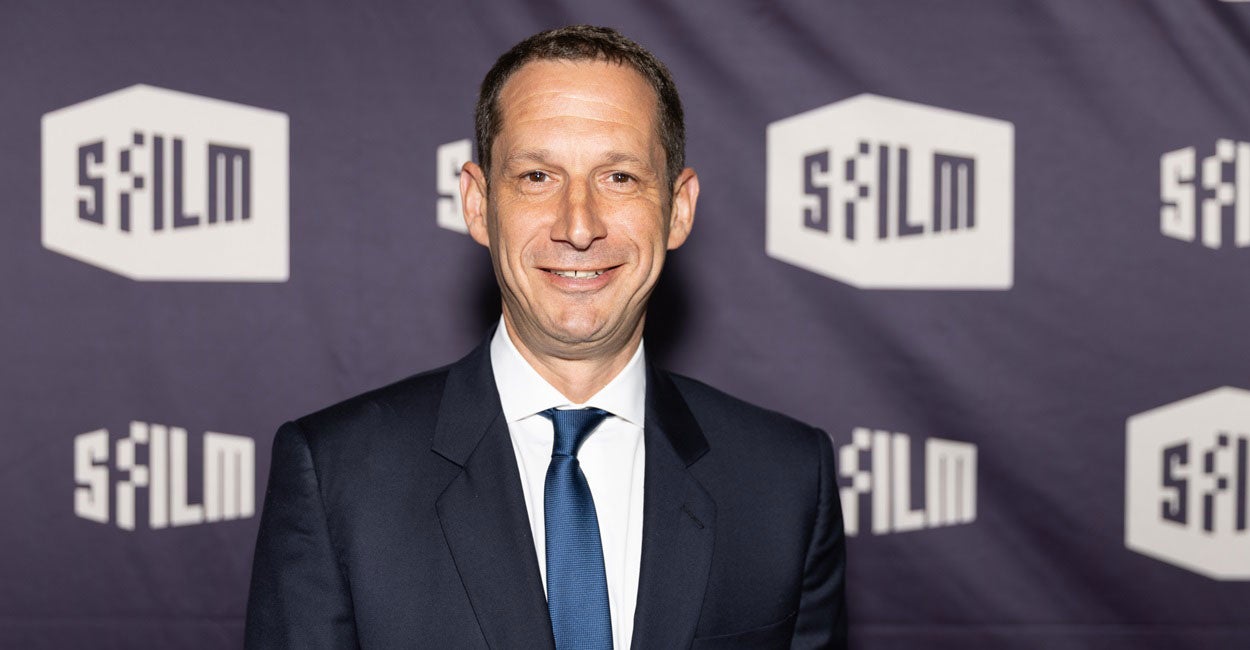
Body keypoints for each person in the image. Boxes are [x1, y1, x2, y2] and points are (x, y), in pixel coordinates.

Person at [245, 24, 847, 649]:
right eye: (537, 176)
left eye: (619, 177)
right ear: (477, 204)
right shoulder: (339, 475)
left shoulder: (785, 480)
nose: (578, 227)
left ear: (679, 208)